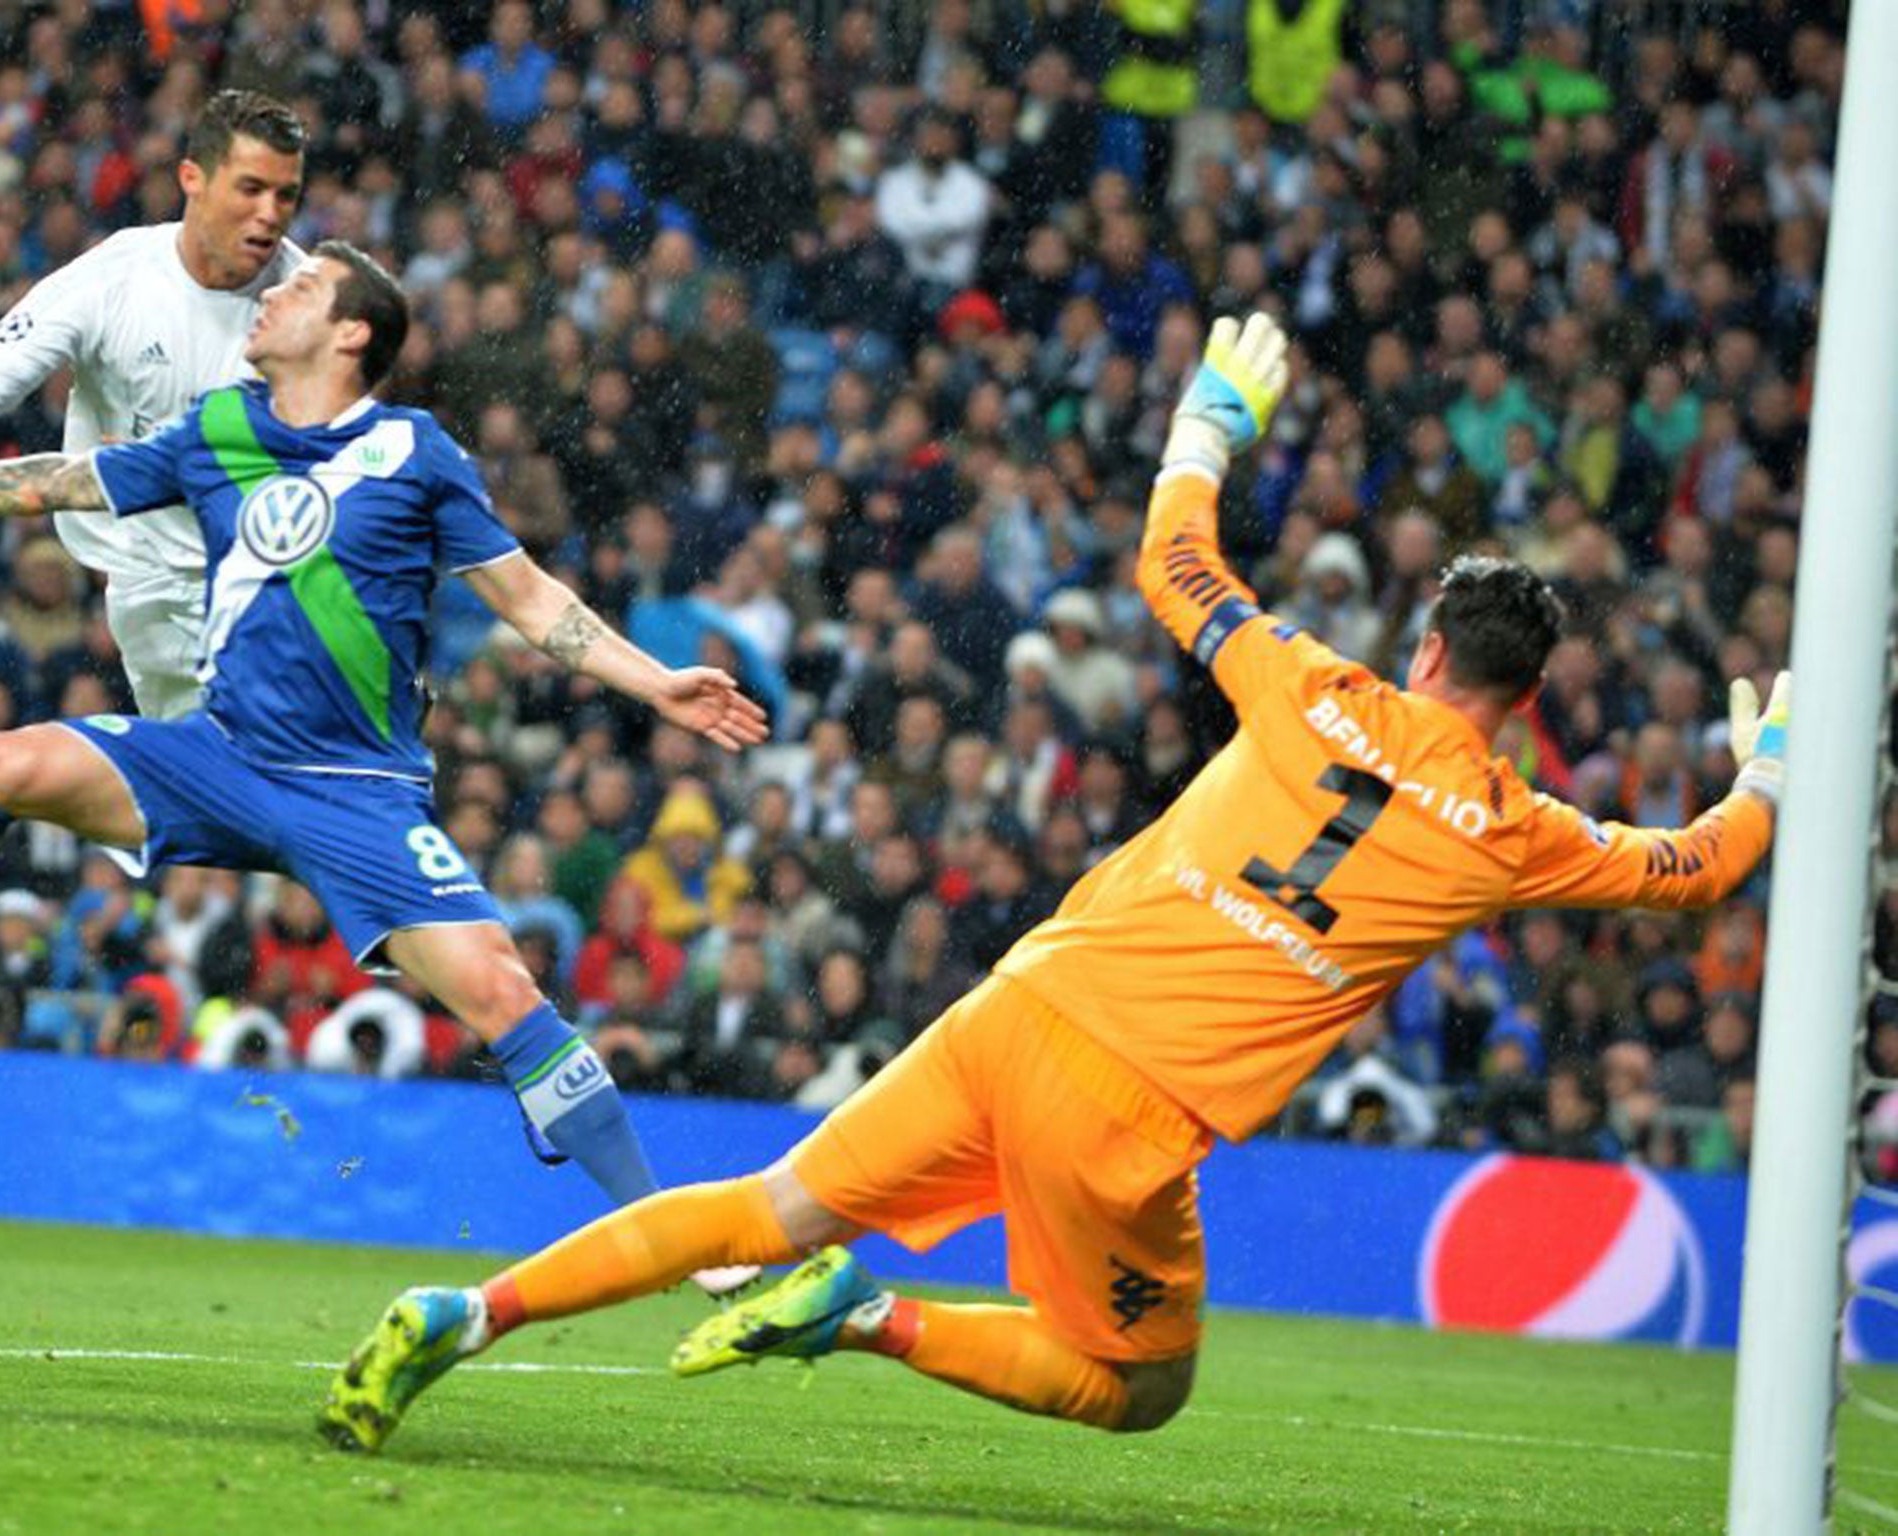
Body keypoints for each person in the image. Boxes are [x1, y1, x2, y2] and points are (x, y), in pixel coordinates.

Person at [315, 313, 1788, 1453]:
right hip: (1129, 1115)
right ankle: (874, 1318)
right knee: (1138, 1387)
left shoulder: (1311, 684)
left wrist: (1214, 421)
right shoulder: (1517, 826)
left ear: (1421, 652)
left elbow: (1174, 558)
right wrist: (1771, 766)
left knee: (763, 1207)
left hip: (1024, 1003)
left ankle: (469, 1310)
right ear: (1522, 701)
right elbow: (1697, 868)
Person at [0, 243, 769, 1292]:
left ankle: (670, 1232)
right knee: (3, 763)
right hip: (218, 755)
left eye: (300, 288)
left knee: (500, 990)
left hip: (358, 792)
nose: (273, 291)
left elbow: (528, 600)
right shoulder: (217, 428)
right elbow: (73, 482)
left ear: (350, 333)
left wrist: (651, 681)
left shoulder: (414, 450)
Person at [0, 91, 309, 721]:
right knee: (217, 796)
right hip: (153, 588)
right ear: (191, 178)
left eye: (285, 195)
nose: (269, 213)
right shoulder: (116, 278)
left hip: (276, 583)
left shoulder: (309, 306)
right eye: (250, 188)